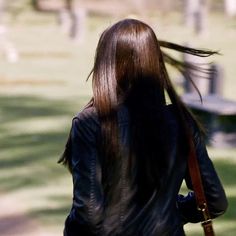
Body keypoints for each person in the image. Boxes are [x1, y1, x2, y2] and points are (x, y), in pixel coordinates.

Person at [58, 19, 228, 236]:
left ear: (106, 64)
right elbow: (215, 201)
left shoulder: (90, 122)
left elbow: (88, 215)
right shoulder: (180, 121)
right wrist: (171, 212)